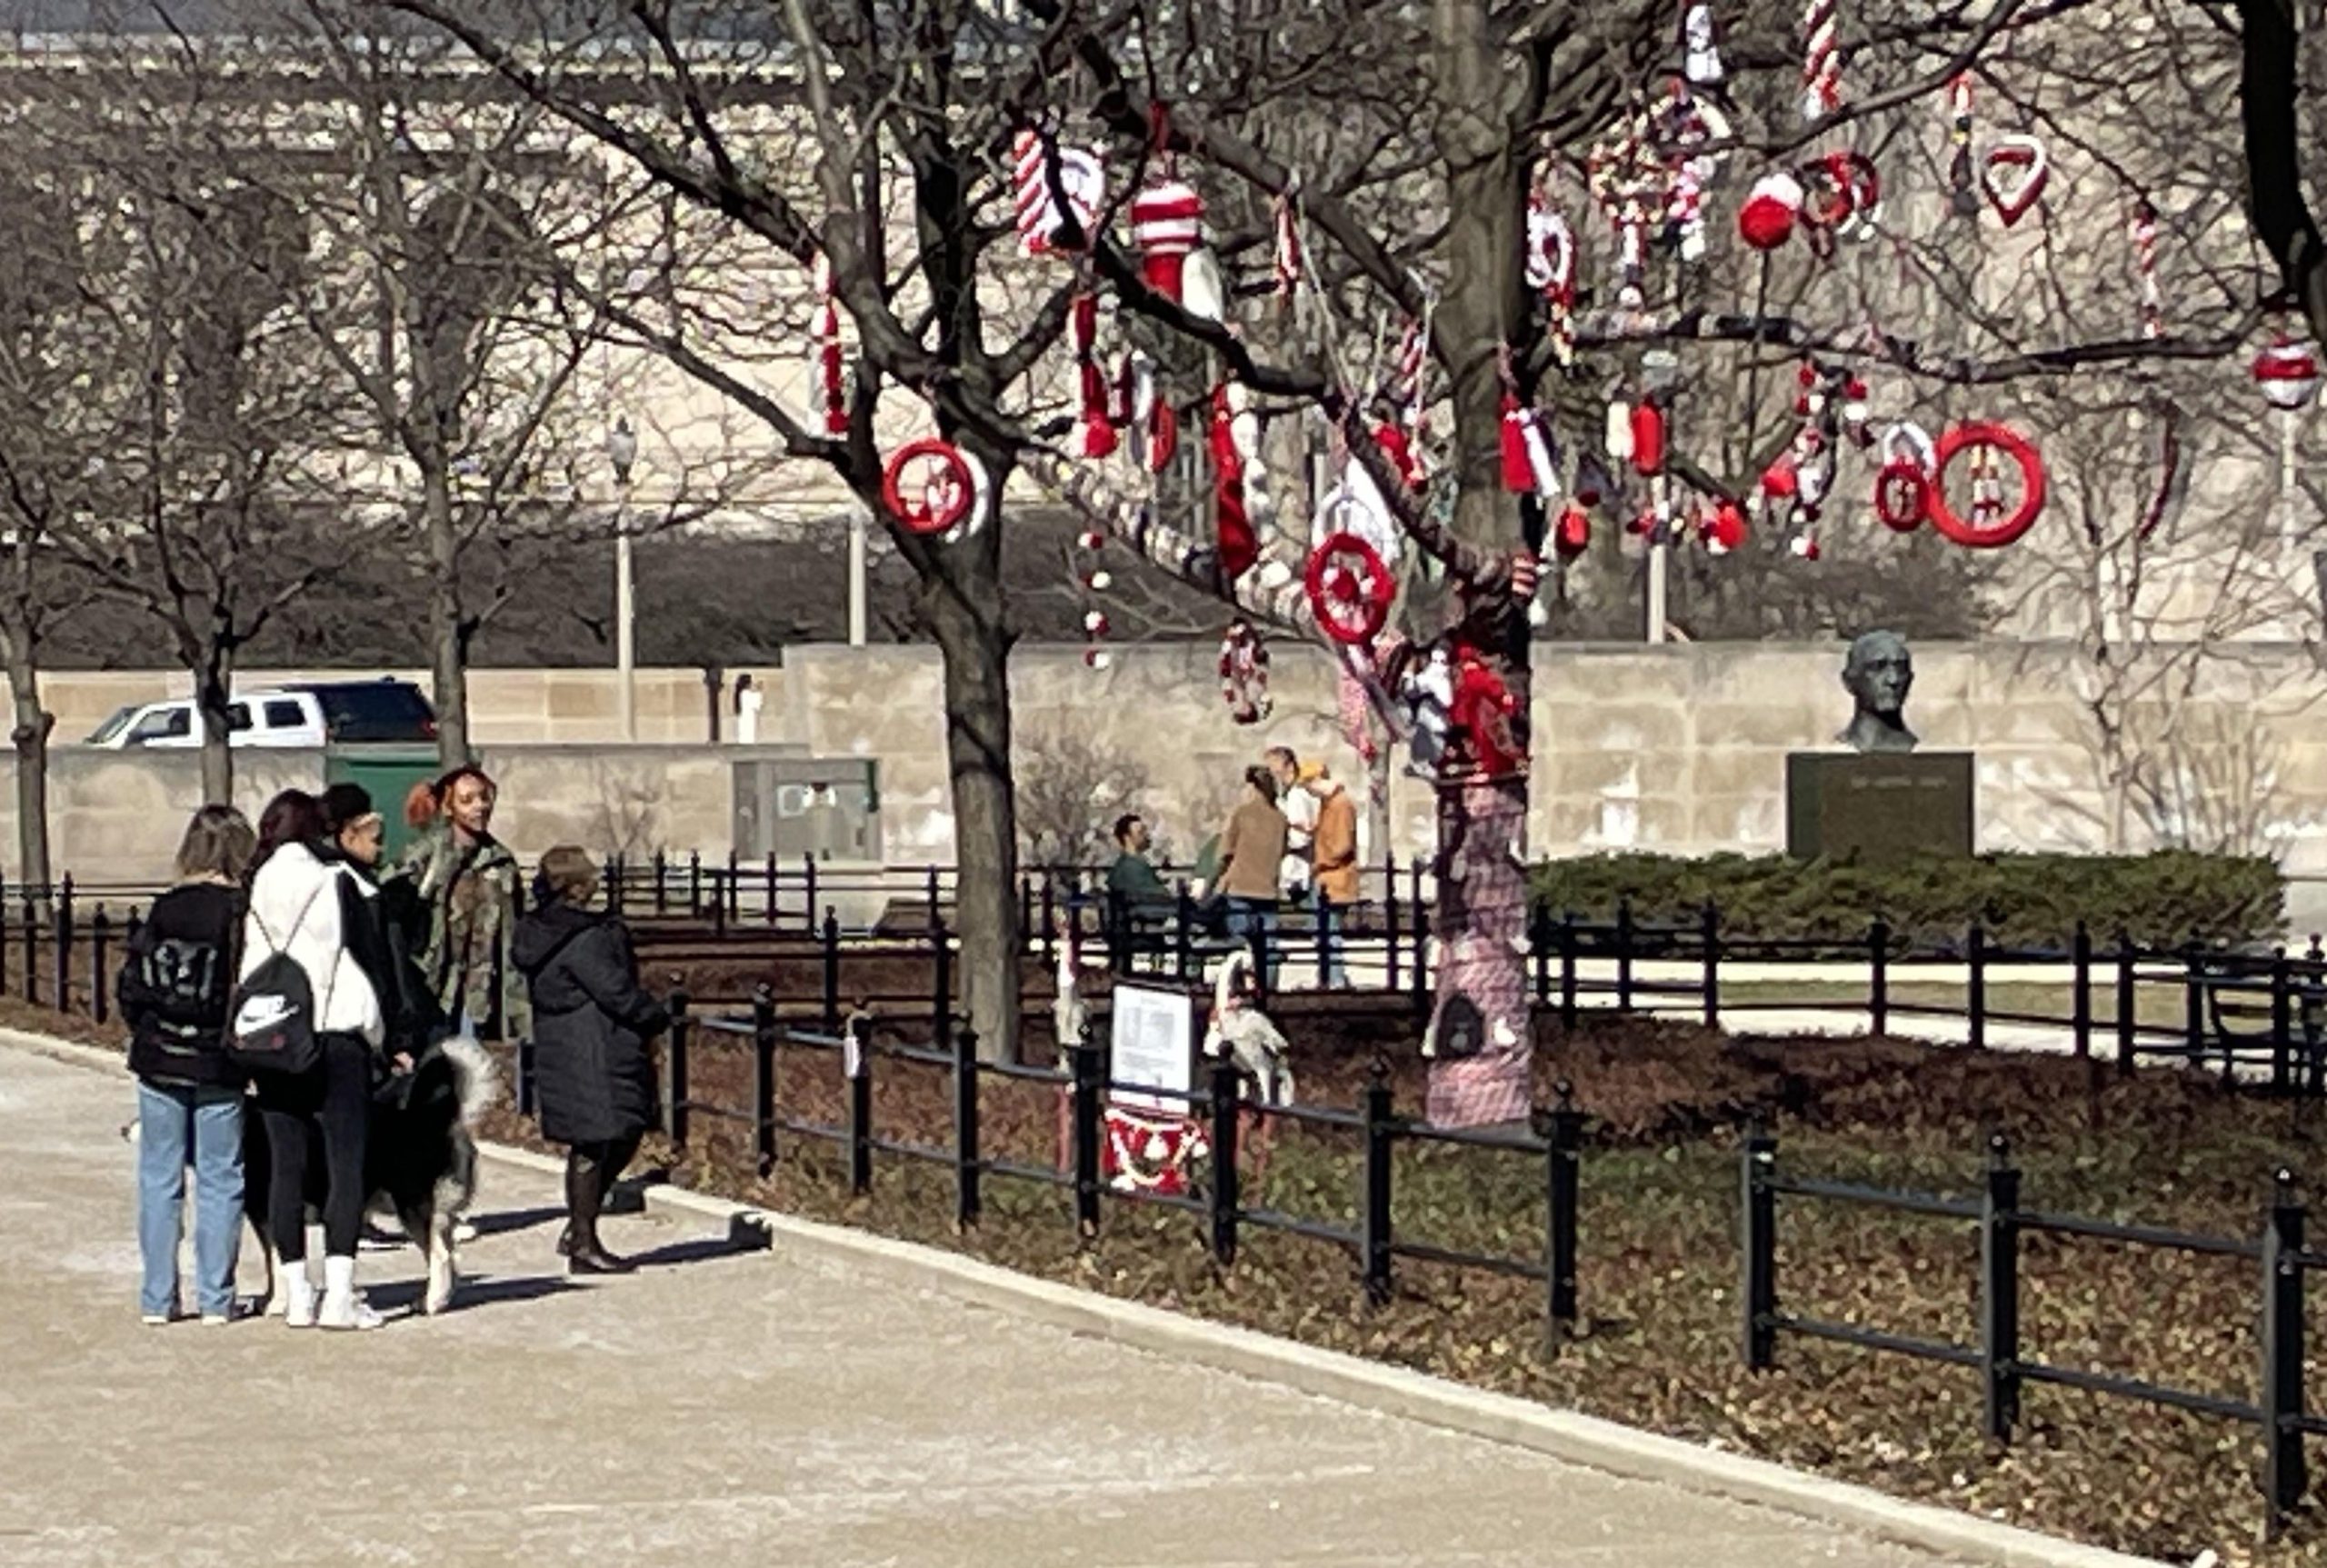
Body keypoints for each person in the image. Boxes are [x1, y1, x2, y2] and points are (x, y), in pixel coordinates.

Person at [244, 788, 404, 1331]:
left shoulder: (257, 884)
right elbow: (370, 959)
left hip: (275, 1035)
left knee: (285, 1167)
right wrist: (385, 1033)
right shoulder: (339, 880)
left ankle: (295, 1293)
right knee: (345, 1165)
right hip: (337, 1030)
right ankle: (339, 1294)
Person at [121, 804, 256, 1326]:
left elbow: (132, 982)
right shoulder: (241, 911)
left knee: (159, 1178)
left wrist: (143, 1028)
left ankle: (158, 1297)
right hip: (219, 1057)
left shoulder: (165, 908)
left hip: (160, 1054)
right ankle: (216, 1297)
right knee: (222, 1177)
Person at [514, 845, 670, 1274]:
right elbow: (616, 991)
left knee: (609, 1136)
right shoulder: (584, 938)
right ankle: (583, 1240)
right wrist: (656, 1015)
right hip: (596, 1048)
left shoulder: (539, 931)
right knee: (599, 1140)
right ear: (579, 887)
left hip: (566, 1045)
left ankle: (580, 1228)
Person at [394, 765, 527, 1046]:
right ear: (448, 807)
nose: (479, 807)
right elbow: (395, 909)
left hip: (484, 993)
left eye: (483, 797)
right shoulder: (425, 856)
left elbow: (515, 928)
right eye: (467, 800)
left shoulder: (502, 861)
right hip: (432, 987)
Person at [1215, 765, 1289, 979]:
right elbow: (1283, 850)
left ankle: (1240, 984)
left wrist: (1217, 881)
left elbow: (1225, 851)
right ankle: (1268, 985)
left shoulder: (1241, 814)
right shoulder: (1280, 818)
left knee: (1240, 942)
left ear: (1252, 787)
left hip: (1240, 886)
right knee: (1269, 944)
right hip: (1268, 887)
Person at [1308, 767, 1360, 990]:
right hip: (1326, 877)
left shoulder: (1340, 805)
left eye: (1309, 786)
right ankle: (1327, 977)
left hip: (1333, 877)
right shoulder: (1329, 804)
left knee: (1331, 932)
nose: (1309, 793)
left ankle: (1335, 979)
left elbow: (1342, 845)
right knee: (1323, 932)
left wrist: (1321, 861)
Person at [1265, 747, 1317, 904]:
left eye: (1275, 767)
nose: (1272, 773)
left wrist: (1281, 844)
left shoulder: (1297, 794)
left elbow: (1301, 836)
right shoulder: (1287, 794)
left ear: (1289, 766)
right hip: (1294, 867)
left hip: (1299, 869)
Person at [733, 673, 763, 745]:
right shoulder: (746, 694)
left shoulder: (741, 694)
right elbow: (757, 704)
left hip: (745, 720)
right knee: (747, 738)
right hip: (747, 720)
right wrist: (759, 689)